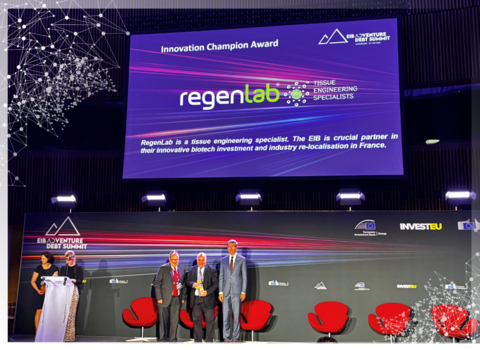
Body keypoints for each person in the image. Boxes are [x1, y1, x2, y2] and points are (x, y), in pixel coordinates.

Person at [154, 251, 186, 342]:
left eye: (177, 259)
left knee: (174, 321)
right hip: (164, 299)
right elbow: (157, 284)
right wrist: (159, 298)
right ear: (169, 259)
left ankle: (172, 340)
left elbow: (183, 284)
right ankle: (162, 340)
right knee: (163, 322)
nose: (175, 261)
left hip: (177, 298)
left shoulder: (182, 268)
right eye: (173, 259)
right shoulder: (163, 268)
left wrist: (183, 297)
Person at [219, 239, 247, 342]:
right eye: (229, 246)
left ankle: (235, 338)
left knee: (236, 316)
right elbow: (221, 277)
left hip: (237, 292)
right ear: (227, 248)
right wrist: (220, 292)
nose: (231, 248)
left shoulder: (242, 260)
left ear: (236, 247)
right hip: (225, 292)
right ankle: (226, 338)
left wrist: (243, 291)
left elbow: (244, 277)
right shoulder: (223, 260)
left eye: (233, 246)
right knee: (225, 316)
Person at [187, 252, 219, 342]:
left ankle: (209, 342)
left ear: (206, 260)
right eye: (199, 260)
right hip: (196, 299)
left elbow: (215, 284)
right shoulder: (191, 269)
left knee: (209, 322)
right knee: (196, 321)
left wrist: (207, 292)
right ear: (197, 260)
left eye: (203, 260)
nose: (201, 262)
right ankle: (198, 342)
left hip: (208, 299)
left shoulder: (212, 270)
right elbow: (187, 282)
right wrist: (193, 284)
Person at [58, 250, 84, 342]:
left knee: (71, 314)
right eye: (68, 258)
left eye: (72, 257)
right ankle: (61, 334)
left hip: (73, 291)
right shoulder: (63, 268)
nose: (71, 260)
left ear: (75, 257)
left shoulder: (79, 268)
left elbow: (81, 280)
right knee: (62, 313)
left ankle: (69, 336)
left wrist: (74, 280)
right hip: (63, 291)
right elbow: (60, 280)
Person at [31, 251, 59, 333]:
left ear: (48, 258)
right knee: (39, 311)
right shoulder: (38, 268)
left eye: (43, 258)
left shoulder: (54, 268)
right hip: (39, 292)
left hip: (50, 293)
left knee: (49, 312)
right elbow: (33, 281)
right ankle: (37, 332)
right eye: (41, 258)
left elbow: (55, 281)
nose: (42, 260)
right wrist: (38, 291)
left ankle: (47, 332)